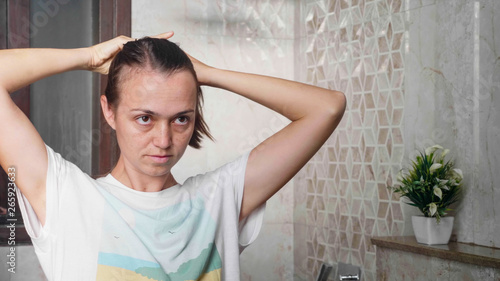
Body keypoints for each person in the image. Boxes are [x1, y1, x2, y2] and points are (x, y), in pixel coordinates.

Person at [0, 32, 346, 280]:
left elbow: (327, 107)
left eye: (181, 118)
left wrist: (207, 74)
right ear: (109, 111)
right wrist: (86, 57)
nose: (164, 140)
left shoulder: (221, 197)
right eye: (144, 118)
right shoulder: (66, 197)